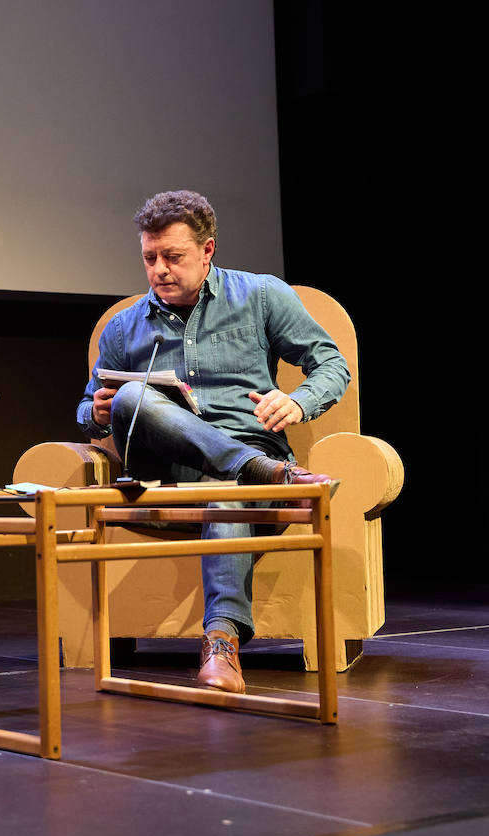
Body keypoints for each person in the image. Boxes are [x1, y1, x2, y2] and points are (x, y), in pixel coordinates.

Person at [76, 190, 349, 693]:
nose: (159, 269)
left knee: (224, 484)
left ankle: (221, 645)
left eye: (173, 257)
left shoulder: (262, 296)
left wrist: (297, 402)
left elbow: (331, 365)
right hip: (163, 467)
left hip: (238, 461)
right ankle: (251, 467)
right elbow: (88, 405)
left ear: (208, 251)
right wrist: (94, 413)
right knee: (131, 397)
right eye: (149, 258)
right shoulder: (123, 327)